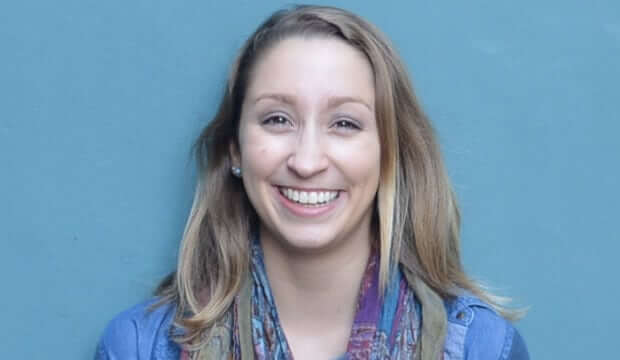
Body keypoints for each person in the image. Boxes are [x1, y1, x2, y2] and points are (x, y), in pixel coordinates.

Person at [96, 5, 529, 360]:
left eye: (344, 123)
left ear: (389, 154)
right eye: (277, 119)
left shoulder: (481, 348)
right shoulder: (139, 348)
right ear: (234, 149)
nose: (306, 161)